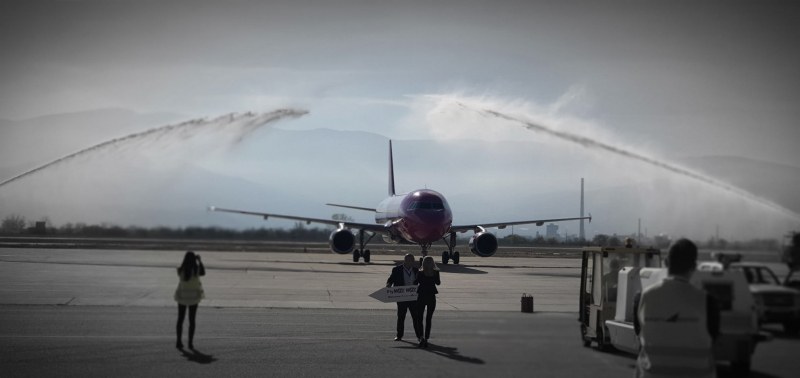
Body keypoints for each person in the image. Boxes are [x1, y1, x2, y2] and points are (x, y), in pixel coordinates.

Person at [634, 238, 720, 378]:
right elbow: (713, 338)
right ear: (694, 266)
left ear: (666, 263)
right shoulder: (707, 301)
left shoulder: (644, 297)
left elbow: (639, 333)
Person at [386, 254, 422, 342]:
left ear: (413, 261)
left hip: (413, 297)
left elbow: (421, 281)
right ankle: (399, 336)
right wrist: (388, 284)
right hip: (401, 296)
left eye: (411, 260)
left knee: (416, 317)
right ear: (404, 260)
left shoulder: (416, 270)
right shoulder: (396, 269)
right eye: (408, 260)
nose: (409, 261)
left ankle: (419, 336)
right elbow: (391, 279)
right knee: (401, 317)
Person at [174, 251, 205, 349]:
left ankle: (178, 341)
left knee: (180, 319)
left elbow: (181, 270)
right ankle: (190, 343)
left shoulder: (180, 270)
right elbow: (203, 272)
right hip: (193, 298)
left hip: (182, 297)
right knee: (192, 320)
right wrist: (199, 261)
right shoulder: (196, 270)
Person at [414, 256, 441, 348]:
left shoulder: (420, 272)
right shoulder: (436, 272)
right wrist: (433, 273)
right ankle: (426, 338)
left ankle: (421, 337)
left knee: (419, 318)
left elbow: (415, 282)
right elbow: (438, 283)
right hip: (431, 296)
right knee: (428, 319)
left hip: (421, 296)